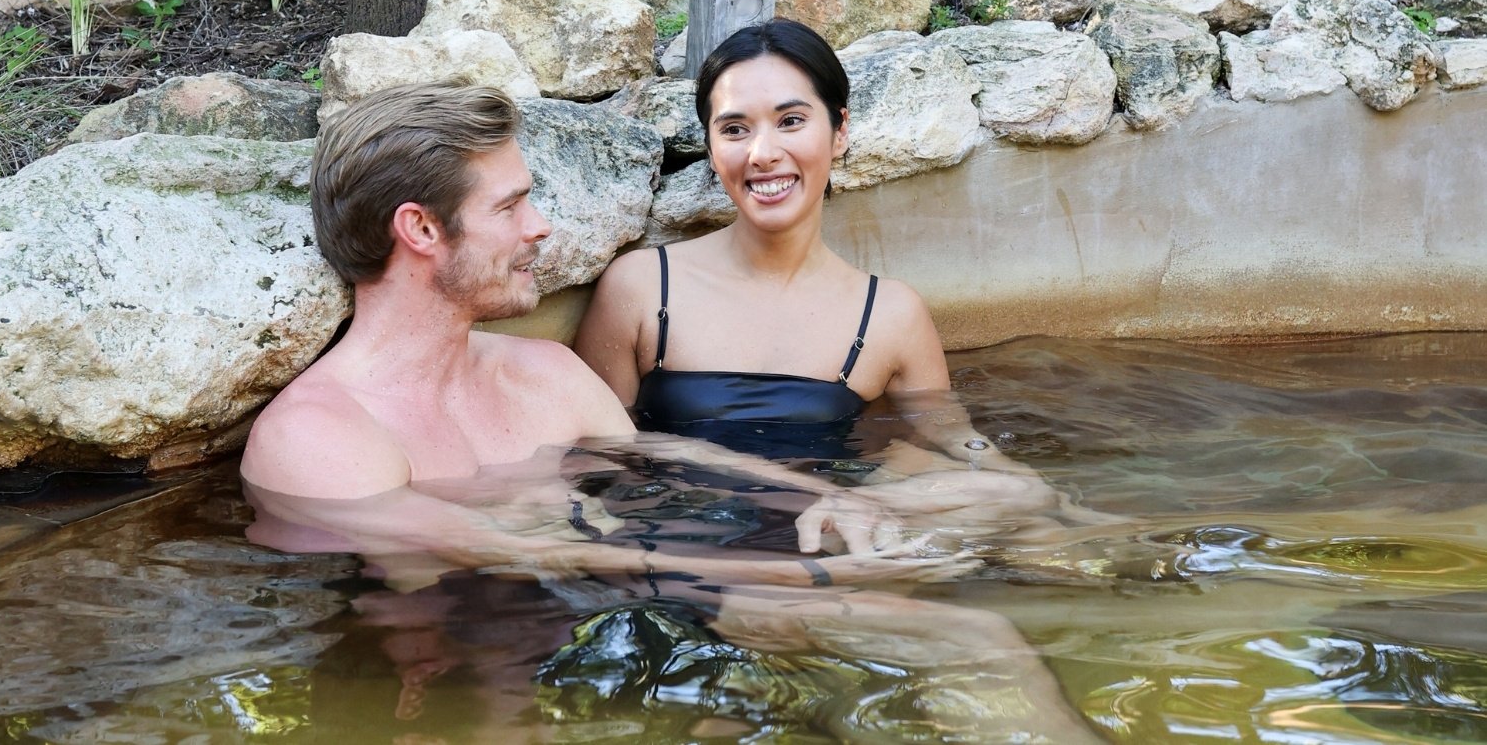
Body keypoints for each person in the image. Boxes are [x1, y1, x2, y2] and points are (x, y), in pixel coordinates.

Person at [239, 81, 1105, 743]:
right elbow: (512, 551)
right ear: (420, 231)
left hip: (646, 580)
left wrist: (830, 502)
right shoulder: (320, 437)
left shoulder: (540, 370)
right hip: (548, 630)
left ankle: (1140, 560)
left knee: (1000, 502)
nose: (541, 228)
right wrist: (808, 579)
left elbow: (672, 468)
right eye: (511, 205)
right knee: (979, 639)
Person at [575, 19, 1116, 545]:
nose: (762, 153)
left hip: (829, 536)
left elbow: (952, 435)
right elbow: (597, 455)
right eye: (735, 129)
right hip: (683, 541)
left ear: (840, 132)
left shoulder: (890, 314)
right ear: (713, 149)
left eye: (791, 121)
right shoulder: (644, 288)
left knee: (1028, 519)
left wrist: (1041, 492)